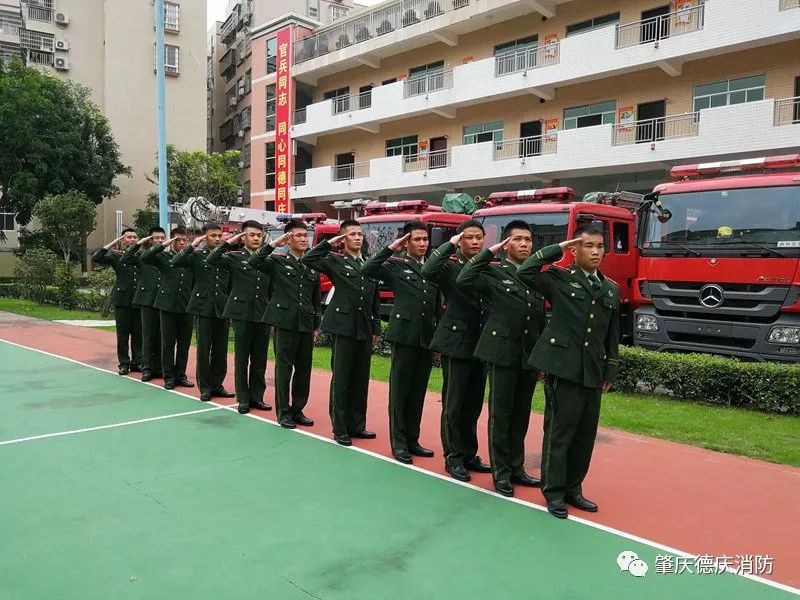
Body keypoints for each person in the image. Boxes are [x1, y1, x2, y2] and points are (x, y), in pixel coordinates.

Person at [518, 224, 620, 519]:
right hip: (563, 367)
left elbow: (612, 335)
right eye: (589, 246)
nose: (596, 251)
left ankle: (574, 488)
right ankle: (554, 491)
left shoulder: (610, 288)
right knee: (560, 432)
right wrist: (558, 248)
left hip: (592, 369)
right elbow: (525, 272)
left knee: (585, 434)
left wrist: (609, 371)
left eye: (600, 246)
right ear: (575, 249)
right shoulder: (559, 278)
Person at [456, 220, 546, 497]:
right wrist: (489, 252)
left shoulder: (536, 276)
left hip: (528, 356)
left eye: (528, 240)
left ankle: (517, 467)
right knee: (502, 413)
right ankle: (502, 472)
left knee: (521, 416)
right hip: (502, 353)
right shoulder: (494, 272)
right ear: (506, 244)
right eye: (517, 239)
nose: (524, 244)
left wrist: (541, 356)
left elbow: (540, 318)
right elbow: (464, 278)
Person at [422, 220, 491, 481]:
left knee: (473, 404)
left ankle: (469, 453)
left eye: (479, 237)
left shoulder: (485, 266)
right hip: (456, 343)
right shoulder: (449, 266)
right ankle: (453, 457)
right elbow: (428, 270)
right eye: (469, 237)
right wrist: (447, 245)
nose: (475, 242)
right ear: (460, 241)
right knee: (455, 404)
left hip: (480, 343)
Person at [363, 221, 437, 464]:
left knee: (417, 392)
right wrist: (392, 248)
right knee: (401, 391)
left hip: (426, 337)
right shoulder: (396, 266)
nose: (422, 244)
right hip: (404, 335)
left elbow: (437, 305)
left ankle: (413, 440)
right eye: (417, 239)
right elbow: (368, 268)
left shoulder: (433, 268)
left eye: (425, 239)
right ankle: (399, 443)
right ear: (407, 242)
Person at [302, 220, 380, 446]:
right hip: (344, 327)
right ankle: (340, 427)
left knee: (360, 379)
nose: (358, 238)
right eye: (352, 234)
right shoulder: (336, 262)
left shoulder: (369, 263)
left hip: (364, 328)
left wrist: (376, 329)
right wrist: (329, 243)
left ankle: (357, 425)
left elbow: (374, 301)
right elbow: (309, 259)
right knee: (342, 377)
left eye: (360, 234)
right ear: (343, 239)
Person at [249, 220, 321, 429]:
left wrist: (316, 325)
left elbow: (315, 300)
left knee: (303, 370)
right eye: (297, 235)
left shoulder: (312, 264)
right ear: (289, 239)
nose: (302, 239)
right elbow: (254, 261)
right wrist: (273, 244)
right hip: (285, 323)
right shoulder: (277, 262)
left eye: (304, 235)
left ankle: (298, 409)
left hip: (306, 324)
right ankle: (284, 412)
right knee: (284, 369)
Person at [206, 221, 271, 414]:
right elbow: (211, 259)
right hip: (241, 313)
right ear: (243, 237)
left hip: (262, 313)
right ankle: (243, 398)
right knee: (242, 358)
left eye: (259, 235)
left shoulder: (268, 259)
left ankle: (257, 397)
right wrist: (228, 241)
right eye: (252, 235)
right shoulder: (234, 257)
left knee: (260, 359)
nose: (256, 238)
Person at [170, 223, 234, 402]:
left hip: (221, 308)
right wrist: (192, 245)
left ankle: (217, 384)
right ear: (205, 237)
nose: (217, 239)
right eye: (213, 235)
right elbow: (175, 262)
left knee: (220, 351)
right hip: (203, 307)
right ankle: (205, 387)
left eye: (219, 235)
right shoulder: (197, 256)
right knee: (204, 349)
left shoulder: (225, 257)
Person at [141, 227, 195, 390]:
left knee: (184, 343)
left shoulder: (191, 259)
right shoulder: (163, 256)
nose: (182, 243)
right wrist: (163, 245)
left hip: (186, 305)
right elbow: (146, 257)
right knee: (168, 343)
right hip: (167, 305)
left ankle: (180, 375)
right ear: (171, 241)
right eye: (178, 240)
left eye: (184, 240)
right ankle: (169, 376)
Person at [91, 229, 142, 375]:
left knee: (138, 333)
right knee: (123, 333)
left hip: (138, 299)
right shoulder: (116, 256)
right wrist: (112, 243)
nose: (132, 239)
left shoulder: (140, 256)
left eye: (134, 237)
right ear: (123, 240)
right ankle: (124, 363)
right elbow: (96, 257)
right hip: (122, 299)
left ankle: (137, 362)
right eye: (129, 237)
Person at [122, 226, 166, 382]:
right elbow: (125, 258)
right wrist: (138, 243)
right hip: (147, 300)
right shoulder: (141, 255)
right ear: (150, 239)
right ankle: (146, 368)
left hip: (163, 300)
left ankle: (159, 368)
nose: (160, 241)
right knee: (147, 336)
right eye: (156, 238)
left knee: (162, 337)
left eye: (162, 238)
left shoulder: (167, 257)